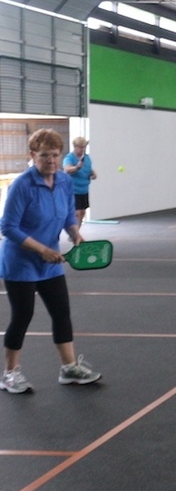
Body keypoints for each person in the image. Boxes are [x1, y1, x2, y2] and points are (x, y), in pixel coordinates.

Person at [1, 129, 101, 394]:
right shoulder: (22, 185)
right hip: (20, 262)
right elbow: (8, 227)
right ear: (33, 155)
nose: (52, 161)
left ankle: (69, 368)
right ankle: (10, 374)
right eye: (45, 155)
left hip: (51, 261)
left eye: (55, 155)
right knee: (23, 316)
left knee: (61, 313)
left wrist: (75, 233)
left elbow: (68, 214)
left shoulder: (64, 182)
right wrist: (41, 250)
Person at [63, 137, 96, 224]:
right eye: (81, 147)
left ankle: (76, 233)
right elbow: (67, 169)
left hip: (84, 189)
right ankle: (74, 234)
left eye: (84, 147)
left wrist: (93, 174)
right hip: (73, 190)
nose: (83, 149)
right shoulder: (69, 158)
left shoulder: (87, 158)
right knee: (76, 213)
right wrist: (77, 167)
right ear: (75, 147)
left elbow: (88, 168)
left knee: (82, 212)